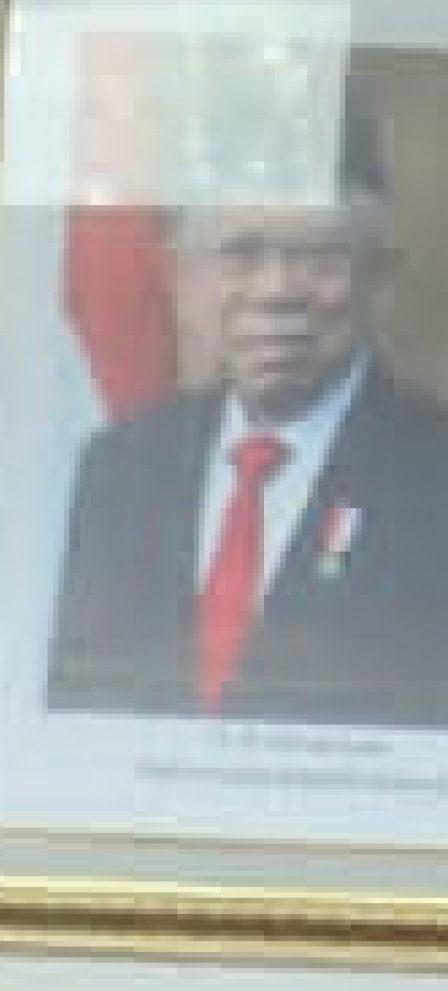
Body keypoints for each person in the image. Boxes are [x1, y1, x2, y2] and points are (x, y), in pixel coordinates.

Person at [45, 174, 448, 726]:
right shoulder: (117, 468)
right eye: (240, 255)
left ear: (377, 276)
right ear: (183, 278)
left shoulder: (432, 471)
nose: (275, 290)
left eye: (320, 259)